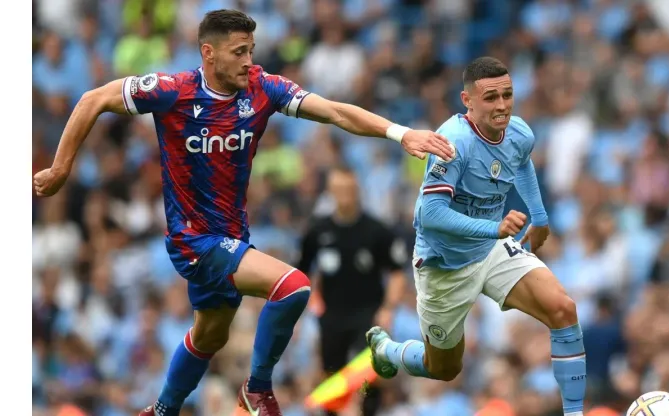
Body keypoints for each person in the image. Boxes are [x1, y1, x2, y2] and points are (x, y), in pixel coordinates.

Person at [32, 9, 454, 416]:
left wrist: (399, 133)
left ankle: (164, 409)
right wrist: (61, 167)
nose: (248, 61)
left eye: (251, 50)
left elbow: (335, 111)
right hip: (194, 239)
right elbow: (93, 99)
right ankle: (257, 388)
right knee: (293, 286)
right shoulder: (171, 90)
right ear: (208, 53)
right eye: (239, 52)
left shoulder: (262, 87)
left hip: (232, 235)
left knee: (210, 334)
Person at [365, 57, 587, 416]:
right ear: (467, 101)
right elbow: (429, 215)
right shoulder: (452, 144)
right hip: (445, 265)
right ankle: (387, 350)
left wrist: (540, 217)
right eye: (491, 98)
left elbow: (522, 161)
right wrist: (494, 227)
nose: (502, 106)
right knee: (446, 369)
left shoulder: (518, 132)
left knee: (563, 309)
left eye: (507, 95)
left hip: (492, 250)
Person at [297, 165, 407, 416]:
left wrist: (388, 309)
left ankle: (365, 410)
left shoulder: (376, 230)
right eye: (339, 189)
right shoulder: (317, 230)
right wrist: (307, 308)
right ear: (331, 191)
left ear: (357, 190)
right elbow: (301, 272)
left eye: (349, 189)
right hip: (332, 317)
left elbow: (397, 273)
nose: (345, 194)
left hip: (368, 316)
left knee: (364, 376)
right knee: (332, 376)